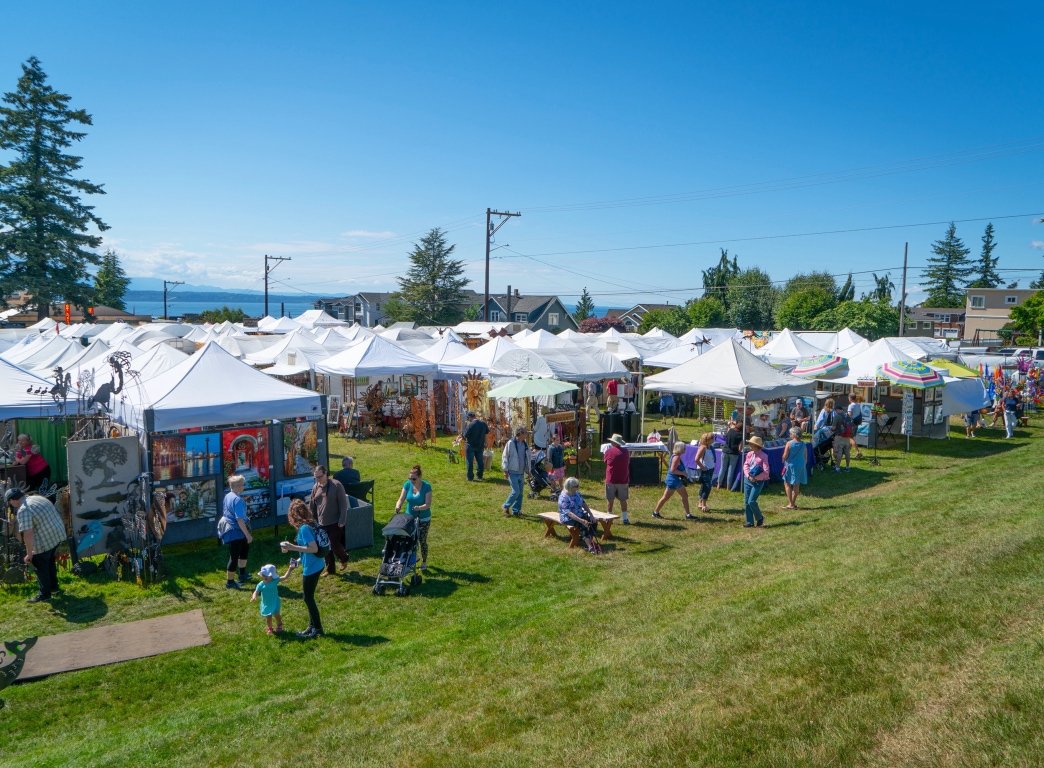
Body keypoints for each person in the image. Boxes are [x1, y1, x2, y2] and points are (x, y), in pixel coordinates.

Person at [7, 488, 64, 602]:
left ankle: (45, 594)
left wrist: (29, 554)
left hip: (45, 541)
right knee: (49, 563)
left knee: (39, 565)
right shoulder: (38, 498)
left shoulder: (23, 510)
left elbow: (28, 533)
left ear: (13, 500)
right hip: (57, 535)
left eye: (10, 502)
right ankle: (54, 587)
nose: (10, 505)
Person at [280, 499, 324, 639]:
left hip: (312, 567)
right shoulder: (312, 523)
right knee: (308, 597)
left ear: (293, 516)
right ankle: (312, 627)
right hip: (318, 563)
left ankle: (317, 629)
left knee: (308, 598)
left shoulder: (304, 528)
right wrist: (298, 561)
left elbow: (313, 548)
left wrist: (291, 547)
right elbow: (310, 548)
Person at [309, 465, 349, 575]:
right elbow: (312, 504)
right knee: (325, 546)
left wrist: (342, 520)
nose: (317, 479)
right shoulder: (316, 487)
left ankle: (344, 558)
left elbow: (343, 505)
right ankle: (330, 569)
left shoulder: (337, 485)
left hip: (335, 522)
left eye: (319, 477)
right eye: (315, 477)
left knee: (334, 544)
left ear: (326, 473)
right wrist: (311, 520)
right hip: (321, 522)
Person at [395, 464, 432, 570]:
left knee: (422, 540)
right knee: (409, 540)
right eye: (410, 478)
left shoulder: (426, 486)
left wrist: (419, 508)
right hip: (409, 518)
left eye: (414, 479)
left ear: (420, 477)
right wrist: (398, 505)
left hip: (423, 518)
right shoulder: (407, 485)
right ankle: (411, 559)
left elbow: (428, 504)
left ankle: (424, 561)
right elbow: (401, 498)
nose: (411, 480)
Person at [221, 475, 253, 589]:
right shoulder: (238, 500)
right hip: (236, 531)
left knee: (243, 551)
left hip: (233, 529)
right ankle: (230, 582)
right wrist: (248, 535)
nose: (244, 486)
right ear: (238, 486)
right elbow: (239, 519)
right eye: (243, 484)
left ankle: (242, 574)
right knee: (234, 556)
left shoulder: (228, 496)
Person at [558, 477, 602, 553]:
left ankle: (589, 540)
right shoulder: (564, 497)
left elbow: (583, 503)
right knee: (583, 525)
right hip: (568, 518)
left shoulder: (577, 493)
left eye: (578, 485)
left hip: (579, 514)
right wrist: (581, 520)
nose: (578, 487)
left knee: (593, 522)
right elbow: (569, 513)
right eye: (576, 486)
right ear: (570, 487)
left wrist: (591, 514)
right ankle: (590, 547)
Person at [653, 441, 692, 520]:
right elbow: (673, 470)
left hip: (673, 480)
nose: (685, 449)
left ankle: (655, 513)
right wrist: (683, 473)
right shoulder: (677, 457)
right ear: (680, 448)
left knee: (666, 497)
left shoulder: (675, 456)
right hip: (675, 481)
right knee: (684, 496)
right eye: (684, 448)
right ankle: (688, 515)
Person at [251, 562, 293, 635]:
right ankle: (270, 628)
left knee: (277, 615)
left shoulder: (275, 581)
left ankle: (279, 625)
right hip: (266, 603)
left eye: (267, 575)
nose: (265, 577)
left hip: (275, 601)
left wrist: (290, 569)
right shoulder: (261, 584)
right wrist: (254, 597)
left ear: (272, 576)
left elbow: (285, 577)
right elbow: (256, 591)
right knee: (268, 617)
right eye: (263, 575)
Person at [501, 426, 530, 517]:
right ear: (520, 433)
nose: (527, 434)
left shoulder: (525, 444)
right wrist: (505, 470)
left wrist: (528, 470)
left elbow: (527, 458)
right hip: (512, 472)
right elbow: (505, 456)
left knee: (520, 493)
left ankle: (516, 510)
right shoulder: (511, 443)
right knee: (516, 492)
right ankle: (506, 507)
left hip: (521, 473)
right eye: (525, 432)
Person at [742, 435, 770, 528]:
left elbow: (766, 472)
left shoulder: (764, 456)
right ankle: (749, 521)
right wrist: (747, 475)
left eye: (751, 444)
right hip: (747, 480)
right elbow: (746, 465)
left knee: (751, 501)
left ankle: (759, 518)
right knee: (746, 501)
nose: (749, 445)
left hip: (757, 482)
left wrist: (756, 478)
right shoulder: (749, 454)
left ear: (756, 446)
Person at [603, 433, 631, 524]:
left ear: (613, 442)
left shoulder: (608, 451)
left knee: (610, 500)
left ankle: (608, 518)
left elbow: (606, 462)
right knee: (623, 500)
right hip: (623, 479)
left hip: (611, 479)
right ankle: (625, 518)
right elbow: (628, 462)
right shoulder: (626, 452)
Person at [781, 427, 808, 510]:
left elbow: (785, 455)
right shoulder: (803, 444)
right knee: (797, 484)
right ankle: (792, 503)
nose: (790, 434)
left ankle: (791, 504)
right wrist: (803, 464)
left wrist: (783, 459)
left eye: (791, 433)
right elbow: (805, 456)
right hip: (801, 465)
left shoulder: (789, 443)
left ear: (794, 434)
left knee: (787, 483)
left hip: (791, 465)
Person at [462, 411, 490, 481]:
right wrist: (486, 442)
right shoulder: (483, 423)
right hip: (480, 445)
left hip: (470, 445)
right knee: (480, 461)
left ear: (469, 417)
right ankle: (479, 476)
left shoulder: (471, 425)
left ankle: (470, 477)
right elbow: (486, 433)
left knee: (470, 461)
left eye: (468, 418)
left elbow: (465, 436)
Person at [717, 420, 743, 490]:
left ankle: (718, 485)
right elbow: (740, 448)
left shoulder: (730, 430)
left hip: (725, 451)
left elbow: (726, 437)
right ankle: (728, 487)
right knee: (730, 470)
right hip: (734, 453)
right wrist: (740, 451)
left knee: (722, 469)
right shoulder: (741, 435)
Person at [694, 433, 716, 513]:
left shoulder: (710, 447)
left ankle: (700, 503)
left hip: (710, 469)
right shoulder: (703, 448)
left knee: (704, 486)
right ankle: (704, 505)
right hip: (705, 470)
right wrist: (703, 467)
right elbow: (696, 459)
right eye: (712, 438)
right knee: (707, 487)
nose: (713, 440)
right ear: (707, 440)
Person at [833, 404, 853, 472]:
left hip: (839, 437)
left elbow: (833, 427)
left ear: (838, 410)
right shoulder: (848, 416)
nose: (835, 412)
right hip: (847, 437)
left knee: (839, 452)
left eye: (835, 410)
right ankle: (847, 467)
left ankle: (837, 468)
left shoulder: (837, 416)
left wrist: (831, 429)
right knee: (847, 452)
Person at [846, 395, 865, 459]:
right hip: (856, 423)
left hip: (851, 424)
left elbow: (849, 415)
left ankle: (858, 452)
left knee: (850, 438)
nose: (848, 399)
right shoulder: (858, 405)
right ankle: (847, 452)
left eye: (848, 398)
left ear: (850, 398)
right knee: (851, 437)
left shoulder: (851, 405)